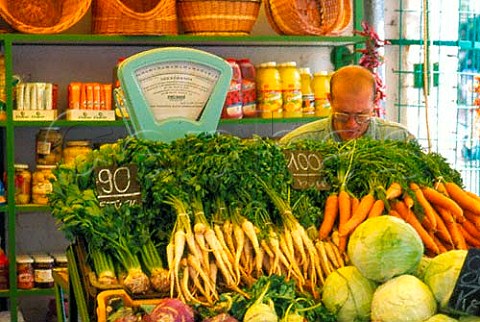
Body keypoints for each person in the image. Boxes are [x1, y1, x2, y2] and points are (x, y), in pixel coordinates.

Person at [279, 65, 415, 143]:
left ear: (375, 101)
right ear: (330, 100)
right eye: (343, 115)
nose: (351, 124)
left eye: (361, 116)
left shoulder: (400, 139)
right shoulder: (297, 143)